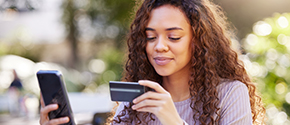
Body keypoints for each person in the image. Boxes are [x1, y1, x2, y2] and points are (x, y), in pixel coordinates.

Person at [39, 0, 265, 124]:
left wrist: (172, 120)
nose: (159, 46)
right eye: (150, 37)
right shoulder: (136, 99)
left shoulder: (230, 94)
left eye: (173, 37)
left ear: (199, 41)